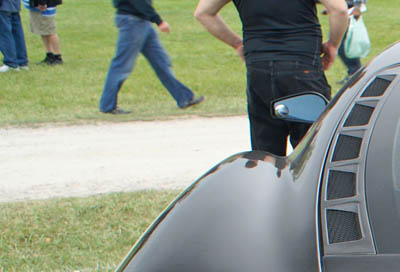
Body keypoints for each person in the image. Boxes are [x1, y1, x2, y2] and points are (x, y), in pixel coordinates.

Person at [194, 0, 348, 157]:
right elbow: (339, 9)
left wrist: (237, 44)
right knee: (312, 154)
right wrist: (333, 45)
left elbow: (203, 13)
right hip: (302, 67)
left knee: (265, 156)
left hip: (259, 69)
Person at [99, 0, 203, 114]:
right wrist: (159, 21)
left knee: (161, 62)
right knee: (122, 65)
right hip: (132, 22)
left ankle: (184, 98)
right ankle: (107, 105)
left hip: (143, 22)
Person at [336, 0, 364, 81]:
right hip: (343, 8)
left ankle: (355, 73)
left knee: (344, 45)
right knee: (342, 45)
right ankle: (354, 73)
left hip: (350, 10)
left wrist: (357, 7)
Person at [26, 0, 61, 65]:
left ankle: (57, 57)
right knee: (44, 31)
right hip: (39, 5)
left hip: (45, 6)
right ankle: (49, 54)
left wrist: (42, 2)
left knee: (50, 31)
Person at [0, 0, 29, 72]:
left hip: (3, 5)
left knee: (4, 34)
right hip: (14, 4)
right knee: (17, 33)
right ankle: (22, 62)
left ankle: (11, 63)